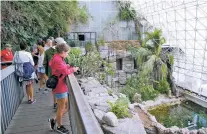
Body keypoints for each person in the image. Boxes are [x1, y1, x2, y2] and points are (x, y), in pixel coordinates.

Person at [48, 43, 78, 134]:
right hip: (60, 86)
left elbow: (62, 69)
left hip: (61, 85)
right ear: (62, 52)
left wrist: (68, 66)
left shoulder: (58, 57)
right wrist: (74, 69)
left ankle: (53, 119)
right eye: (67, 53)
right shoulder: (58, 59)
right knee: (61, 108)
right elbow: (65, 72)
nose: (67, 54)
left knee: (66, 107)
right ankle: (59, 126)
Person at [43, 37, 67, 109]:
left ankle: (55, 103)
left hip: (52, 74)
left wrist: (47, 74)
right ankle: (61, 106)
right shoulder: (62, 52)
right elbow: (66, 63)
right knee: (60, 89)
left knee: (54, 88)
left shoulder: (47, 51)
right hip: (60, 74)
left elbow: (45, 63)